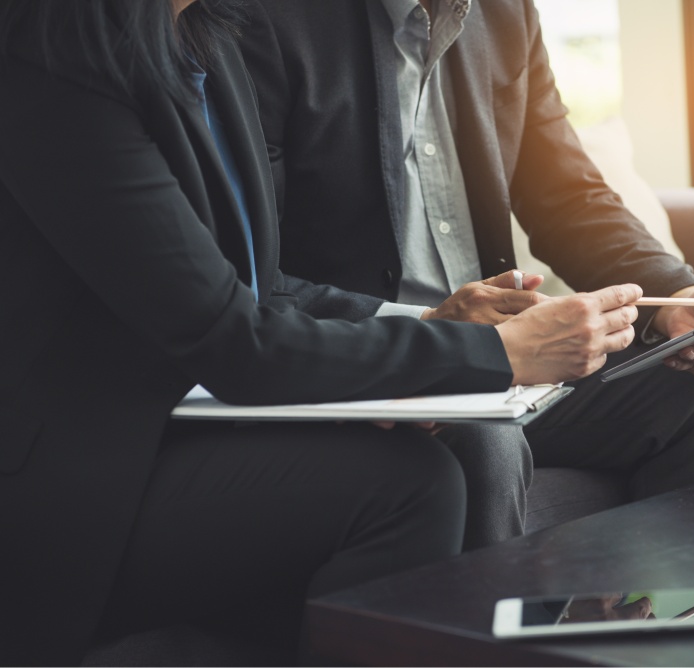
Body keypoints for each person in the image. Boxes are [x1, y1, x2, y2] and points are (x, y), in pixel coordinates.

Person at [0, 0, 643, 663]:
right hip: (81, 476)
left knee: (440, 461)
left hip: (183, 423)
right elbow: (229, 339)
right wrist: (493, 354)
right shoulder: (51, 71)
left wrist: (433, 327)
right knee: (409, 486)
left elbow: (263, 283)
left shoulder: (204, 42)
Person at [237, 0, 694, 548]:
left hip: (512, 361)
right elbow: (251, 276)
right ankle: (487, 634)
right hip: (373, 364)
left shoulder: (504, 13)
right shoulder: (266, 20)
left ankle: (676, 623)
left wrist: (678, 293)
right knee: (482, 439)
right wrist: (431, 328)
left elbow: (568, 199)